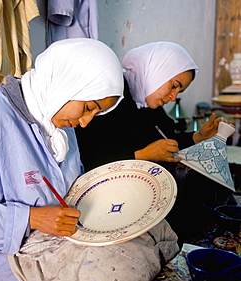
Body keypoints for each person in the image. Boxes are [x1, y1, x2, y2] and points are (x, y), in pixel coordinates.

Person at [0, 38, 181, 281]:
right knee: (118, 278)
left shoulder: (56, 117)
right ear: (68, 82)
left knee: (154, 230)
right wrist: (31, 218)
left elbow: (76, 185)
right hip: (11, 251)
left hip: (61, 232)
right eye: (88, 107)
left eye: (96, 111)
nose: (85, 123)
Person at [76, 42, 235, 246]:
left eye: (179, 91)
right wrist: (142, 154)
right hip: (108, 202)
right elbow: (88, 158)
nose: (173, 97)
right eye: (174, 85)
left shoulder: (147, 103)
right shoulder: (111, 100)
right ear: (159, 70)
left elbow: (164, 140)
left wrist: (197, 138)